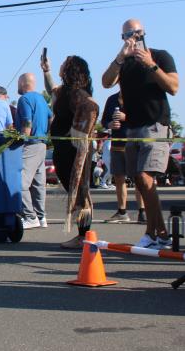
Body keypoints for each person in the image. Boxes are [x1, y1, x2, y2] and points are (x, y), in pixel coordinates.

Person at [101, 19, 179, 250]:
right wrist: (120, 57)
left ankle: (157, 233)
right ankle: (157, 234)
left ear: (144, 33)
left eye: (136, 33)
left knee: (145, 177)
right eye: (127, 35)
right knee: (139, 181)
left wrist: (151, 65)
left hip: (155, 125)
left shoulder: (160, 56)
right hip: (133, 128)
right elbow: (106, 82)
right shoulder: (124, 63)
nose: (133, 38)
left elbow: (173, 87)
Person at [43, 56, 98, 249]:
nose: (61, 65)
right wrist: (46, 71)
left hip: (73, 151)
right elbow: (52, 90)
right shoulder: (64, 91)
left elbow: (91, 107)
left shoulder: (78, 94)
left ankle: (84, 235)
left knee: (80, 194)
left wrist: (76, 134)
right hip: (62, 149)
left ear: (70, 69)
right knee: (75, 193)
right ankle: (83, 234)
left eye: (64, 63)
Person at [100, 91, 144, 224]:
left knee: (139, 179)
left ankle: (142, 212)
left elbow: (145, 118)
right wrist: (109, 125)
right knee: (119, 178)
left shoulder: (137, 96)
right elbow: (104, 120)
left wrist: (127, 117)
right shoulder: (112, 99)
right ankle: (122, 212)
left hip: (135, 143)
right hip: (117, 145)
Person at [16, 72, 52, 230]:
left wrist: (22, 138)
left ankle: (30, 217)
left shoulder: (24, 99)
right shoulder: (41, 99)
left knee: (19, 182)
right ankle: (41, 217)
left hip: (30, 144)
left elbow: (27, 123)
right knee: (38, 183)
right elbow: (51, 117)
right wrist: (45, 133)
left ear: (22, 83)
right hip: (42, 144)